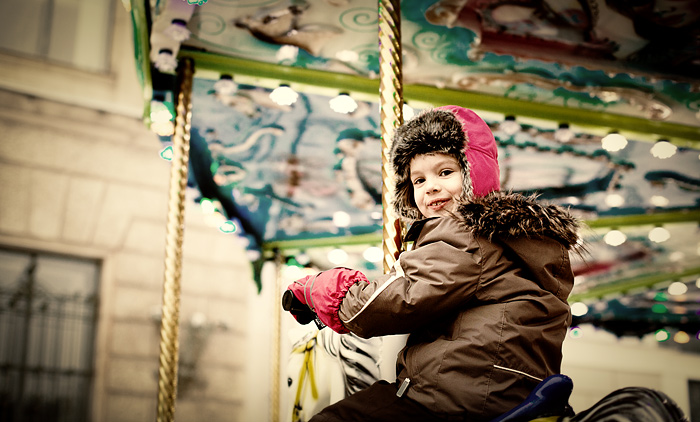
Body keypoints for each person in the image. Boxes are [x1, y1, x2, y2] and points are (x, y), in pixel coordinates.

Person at [285, 105, 580, 422]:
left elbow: (405, 298)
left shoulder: (466, 233)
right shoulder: (509, 242)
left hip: (459, 390)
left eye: (446, 172)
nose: (431, 186)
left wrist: (325, 290)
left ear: (475, 172)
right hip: (501, 383)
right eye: (418, 180)